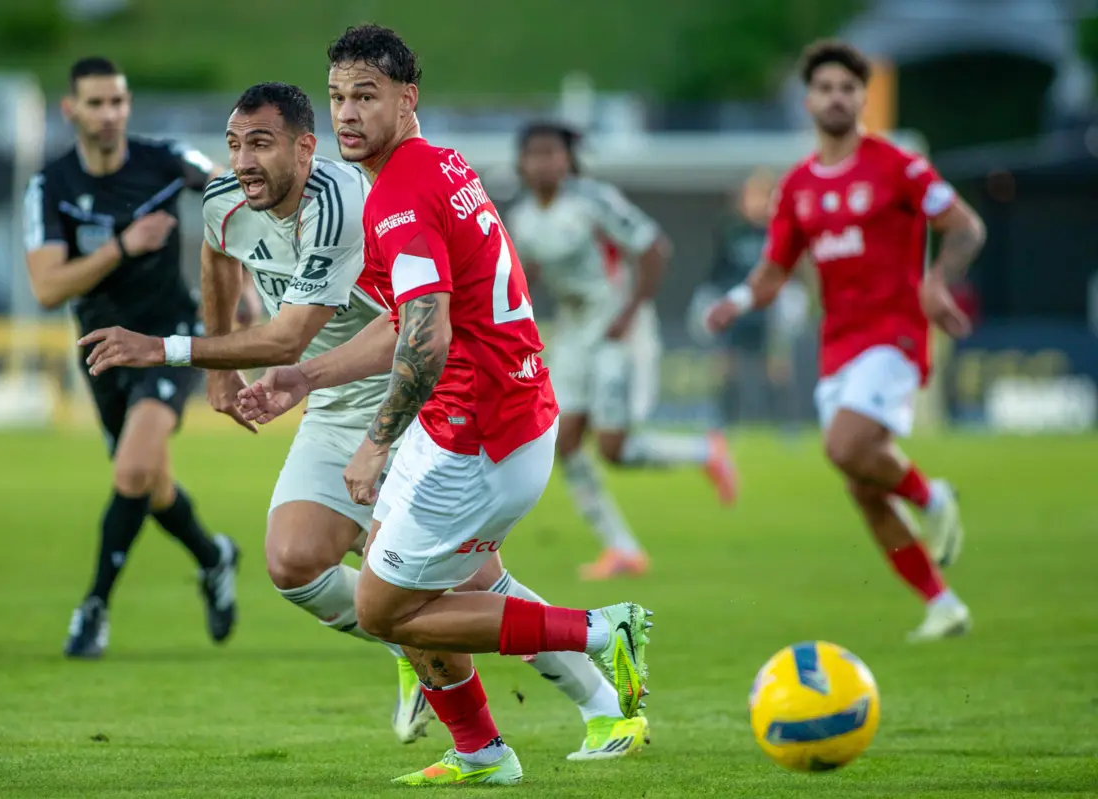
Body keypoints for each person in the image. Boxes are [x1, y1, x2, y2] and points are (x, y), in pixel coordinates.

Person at [80, 82, 648, 759]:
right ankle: (441, 679)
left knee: (463, 585)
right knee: (294, 562)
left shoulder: (351, 203)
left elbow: (291, 339)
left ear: (304, 147)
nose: (243, 162)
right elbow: (217, 258)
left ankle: (596, 706)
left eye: (260, 145)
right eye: (234, 145)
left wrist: (166, 349)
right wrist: (220, 366)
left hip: (400, 397)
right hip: (327, 401)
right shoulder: (227, 200)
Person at [234, 25, 652, 786]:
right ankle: (486, 750)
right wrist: (310, 377)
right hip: (489, 416)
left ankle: (599, 631)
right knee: (426, 589)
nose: (347, 114)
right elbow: (407, 322)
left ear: (407, 98)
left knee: (386, 607)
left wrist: (375, 441)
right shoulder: (439, 165)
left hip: (478, 435)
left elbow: (429, 332)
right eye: (337, 98)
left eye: (366, 96)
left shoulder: (398, 194)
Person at [706, 40, 986, 642]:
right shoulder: (799, 186)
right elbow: (774, 269)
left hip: (896, 335)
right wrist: (733, 301)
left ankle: (933, 497)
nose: (837, 97)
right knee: (863, 486)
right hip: (839, 346)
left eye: (848, 88)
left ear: (863, 98)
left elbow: (966, 226)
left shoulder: (899, 165)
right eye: (826, 88)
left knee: (844, 445)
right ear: (809, 100)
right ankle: (943, 604)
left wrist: (939, 280)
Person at [22, 56, 238, 659]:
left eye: (118, 101)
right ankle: (213, 556)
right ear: (71, 111)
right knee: (152, 483)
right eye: (96, 103)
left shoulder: (166, 159)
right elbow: (46, 288)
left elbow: (234, 190)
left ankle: (93, 608)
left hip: (171, 337)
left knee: (132, 471)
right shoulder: (51, 186)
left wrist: (243, 285)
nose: (110, 114)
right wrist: (123, 244)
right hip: (102, 352)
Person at [506, 123, 738, 580]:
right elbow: (524, 273)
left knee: (613, 448)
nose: (542, 163)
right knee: (564, 441)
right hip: (574, 331)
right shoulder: (523, 218)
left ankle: (703, 450)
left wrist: (629, 313)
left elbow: (654, 249)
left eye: (552, 153)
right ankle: (623, 549)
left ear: (567, 159)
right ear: (521, 163)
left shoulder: (594, 201)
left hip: (617, 329)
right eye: (533, 154)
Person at [700, 169, 808, 432]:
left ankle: (785, 427)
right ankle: (725, 422)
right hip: (736, 307)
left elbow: (791, 270)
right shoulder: (730, 230)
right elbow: (717, 271)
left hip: (769, 307)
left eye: (762, 195)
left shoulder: (779, 231)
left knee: (776, 366)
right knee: (726, 365)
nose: (756, 202)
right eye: (751, 195)